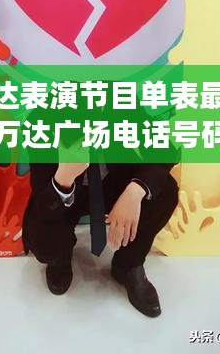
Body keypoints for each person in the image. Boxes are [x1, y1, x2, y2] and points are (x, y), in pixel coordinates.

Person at [21, 84, 179, 318]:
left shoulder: (120, 98)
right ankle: (60, 259)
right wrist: (63, 179)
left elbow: (165, 149)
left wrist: (136, 190)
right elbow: (42, 203)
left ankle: (128, 265)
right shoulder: (43, 114)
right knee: (44, 239)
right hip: (68, 192)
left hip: (112, 185)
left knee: (165, 191)